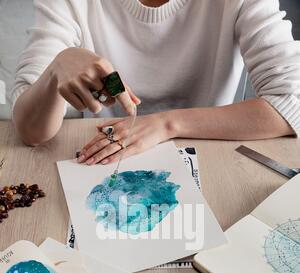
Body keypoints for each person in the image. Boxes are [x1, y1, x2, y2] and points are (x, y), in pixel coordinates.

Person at [13, 0, 300, 166]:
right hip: (105, 158)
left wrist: (166, 125)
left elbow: (292, 100)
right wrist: (57, 67)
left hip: (211, 159)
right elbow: (31, 132)